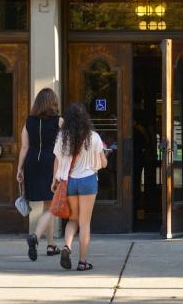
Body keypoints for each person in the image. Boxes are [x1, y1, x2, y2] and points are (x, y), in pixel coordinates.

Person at [52, 102, 108, 271]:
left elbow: (57, 160)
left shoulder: (62, 138)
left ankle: (67, 247)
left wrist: (54, 180)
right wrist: (105, 155)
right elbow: (103, 164)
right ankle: (82, 262)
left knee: (72, 219)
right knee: (85, 223)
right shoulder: (94, 137)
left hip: (69, 182)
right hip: (88, 180)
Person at [17, 88, 61, 261]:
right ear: (53, 102)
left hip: (32, 163)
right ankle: (35, 236)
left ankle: (51, 245)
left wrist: (19, 168)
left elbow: (25, 147)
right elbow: (63, 146)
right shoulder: (59, 121)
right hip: (51, 163)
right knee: (50, 205)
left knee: (46, 206)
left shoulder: (29, 121)